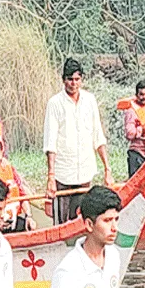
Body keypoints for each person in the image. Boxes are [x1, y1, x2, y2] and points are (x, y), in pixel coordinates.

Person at [43, 59, 113, 224]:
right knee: (61, 223)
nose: (73, 84)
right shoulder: (55, 103)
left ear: (82, 79)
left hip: (84, 171)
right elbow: (50, 142)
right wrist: (51, 177)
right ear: (63, 80)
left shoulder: (90, 100)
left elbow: (98, 136)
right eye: (70, 79)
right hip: (63, 172)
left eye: (77, 79)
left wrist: (107, 169)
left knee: (82, 219)